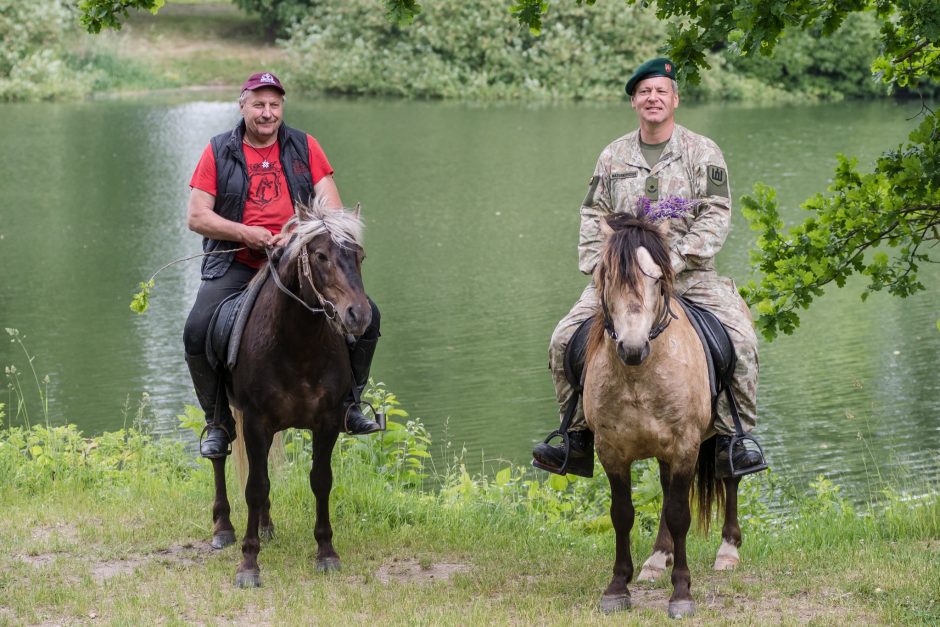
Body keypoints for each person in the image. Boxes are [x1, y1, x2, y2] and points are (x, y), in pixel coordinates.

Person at [532, 58, 767, 478]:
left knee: (743, 341)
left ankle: (735, 440)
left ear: (675, 98)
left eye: (660, 91)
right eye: (644, 92)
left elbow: (716, 215)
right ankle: (577, 436)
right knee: (561, 338)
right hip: (622, 281)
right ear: (634, 103)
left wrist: (669, 263)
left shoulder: (702, 151)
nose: (652, 98)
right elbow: (593, 215)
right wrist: (599, 266)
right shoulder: (613, 155)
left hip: (690, 278)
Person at [184, 71, 382, 459]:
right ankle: (218, 421)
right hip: (237, 263)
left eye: (274, 104)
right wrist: (246, 233)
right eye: (258, 104)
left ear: (282, 108)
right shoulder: (218, 150)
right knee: (196, 328)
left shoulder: (305, 146)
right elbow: (197, 216)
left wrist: (295, 236)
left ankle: (350, 404)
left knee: (368, 315)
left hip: (300, 263)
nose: (267, 112)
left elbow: (333, 213)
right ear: (242, 105)